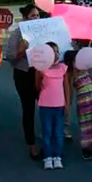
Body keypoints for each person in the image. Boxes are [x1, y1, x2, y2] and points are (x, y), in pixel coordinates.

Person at [4, 4, 42, 160]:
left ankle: (50, 137)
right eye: (33, 16)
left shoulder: (44, 31)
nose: (36, 18)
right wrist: (21, 50)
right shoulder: (17, 34)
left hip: (41, 74)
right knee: (28, 109)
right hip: (24, 75)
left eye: (38, 15)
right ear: (25, 18)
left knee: (47, 106)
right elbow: (10, 57)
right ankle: (31, 144)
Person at [64, 50, 92, 160]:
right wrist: (68, 104)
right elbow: (69, 89)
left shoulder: (85, 70)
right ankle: (86, 148)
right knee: (86, 123)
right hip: (83, 101)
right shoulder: (70, 74)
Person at [36, 42, 69, 170]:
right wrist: (39, 77)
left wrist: (67, 103)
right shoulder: (41, 69)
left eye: (57, 51)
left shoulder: (63, 68)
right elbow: (37, 86)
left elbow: (66, 87)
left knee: (58, 132)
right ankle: (47, 157)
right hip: (45, 105)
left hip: (59, 105)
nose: (55, 54)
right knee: (47, 131)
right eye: (52, 51)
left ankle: (57, 156)